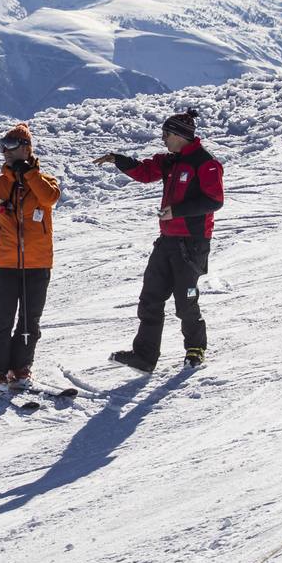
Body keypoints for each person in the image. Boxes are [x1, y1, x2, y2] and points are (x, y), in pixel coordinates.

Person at [93, 108, 224, 373]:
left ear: (178, 135)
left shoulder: (205, 163)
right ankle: (144, 357)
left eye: (166, 133)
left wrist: (177, 211)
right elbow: (144, 172)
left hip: (192, 243)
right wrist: (118, 159)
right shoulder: (170, 161)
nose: (162, 138)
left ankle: (195, 350)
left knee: (185, 300)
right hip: (167, 240)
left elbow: (214, 200)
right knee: (150, 297)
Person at [0, 123, 61, 393]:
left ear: (26, 149)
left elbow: (49, 199)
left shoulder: (45, 182)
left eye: (11, 146)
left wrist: (31, 175)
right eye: (3, 146)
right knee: (2, 318)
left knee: (29, 320)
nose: (5, 152)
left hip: (38, 263)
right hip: (6, 263)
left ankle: (21, 367)